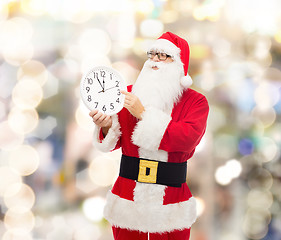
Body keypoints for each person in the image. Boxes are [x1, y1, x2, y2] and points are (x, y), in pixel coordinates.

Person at [89, 32, 209, 240]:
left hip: (171, 202)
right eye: (152, 54)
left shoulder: (195, 102)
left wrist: (143, 114)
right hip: (128, 199)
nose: (154, 60)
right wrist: (107, 126)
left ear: (179, 63)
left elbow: (188, 139)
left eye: (163, 55)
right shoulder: (127, 95)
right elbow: (112, 142)